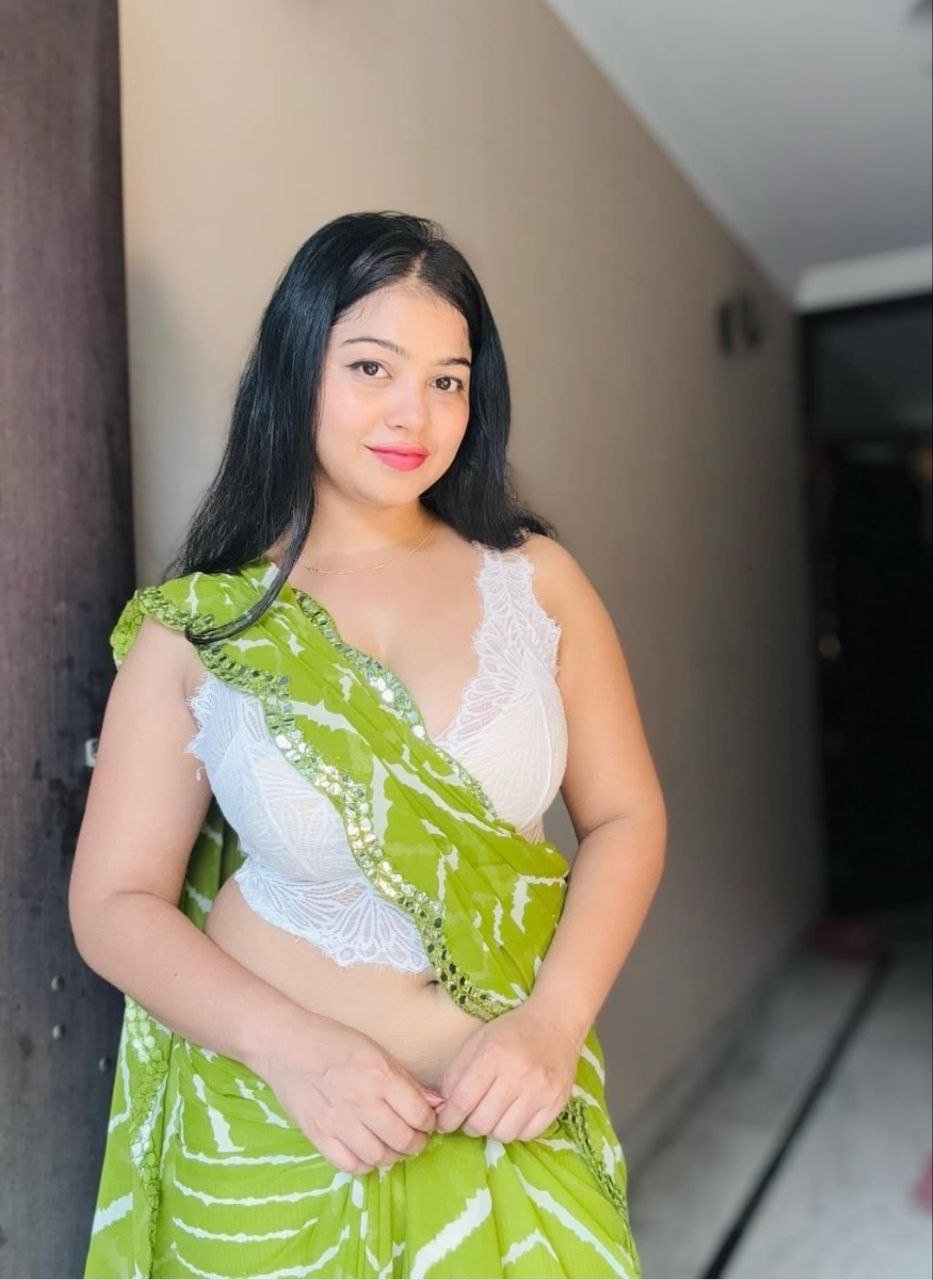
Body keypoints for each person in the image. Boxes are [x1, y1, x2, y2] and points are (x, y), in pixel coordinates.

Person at [70, 210, 667, 1279]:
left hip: (508, 1102)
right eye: (371, 367)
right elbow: (114, 902)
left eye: (448, 380)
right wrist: (293, 1052)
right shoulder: (204, 625)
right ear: (295, 368)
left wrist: (553, 1024)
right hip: (272, 1130)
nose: (413, 413)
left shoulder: (535, 580)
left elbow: (626, 817)